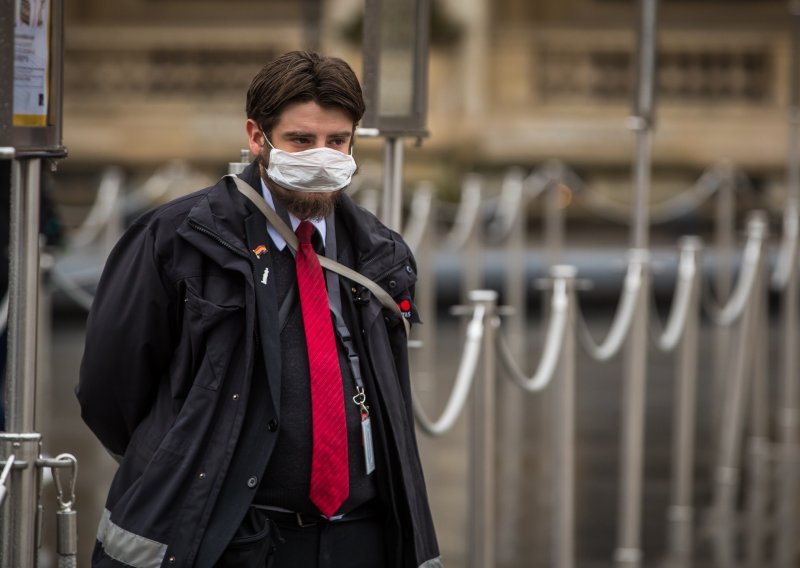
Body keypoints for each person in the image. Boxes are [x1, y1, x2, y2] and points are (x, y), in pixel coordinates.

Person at [76, 51, 441, 567]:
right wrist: (182, 457)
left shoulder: (381, 252)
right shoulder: (178, 240)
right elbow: (108, 390)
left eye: (337, 141)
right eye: (300, 140)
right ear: (256, 137)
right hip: (225, 536)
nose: (321, 155)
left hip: (361, 537)